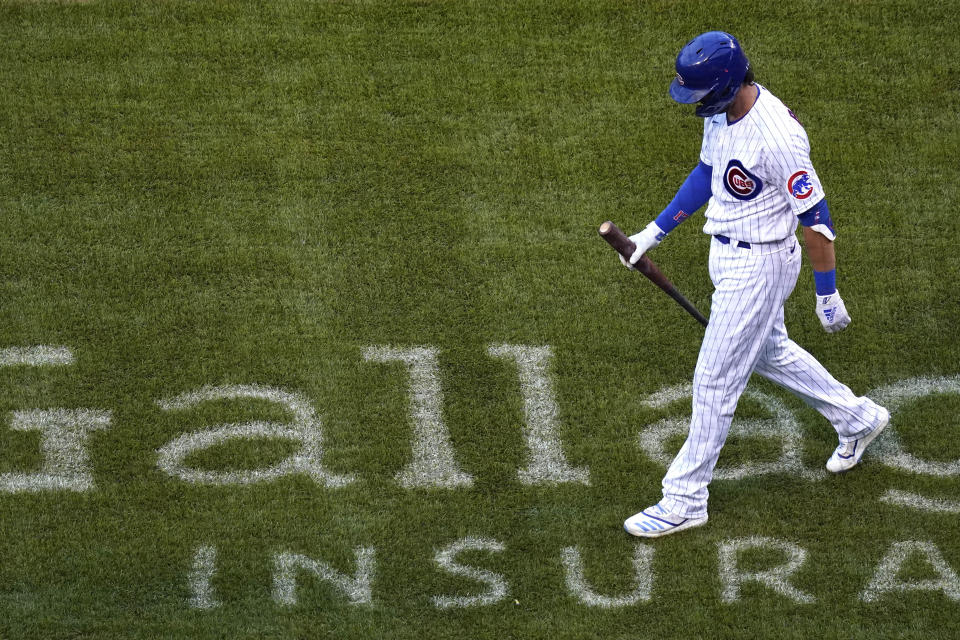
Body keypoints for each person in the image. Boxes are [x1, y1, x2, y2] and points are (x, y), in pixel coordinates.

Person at [620, 31, 889, 538]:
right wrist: (652, 233)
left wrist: (826, 292)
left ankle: (684, 499)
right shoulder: (723, 112)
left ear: (723, 83)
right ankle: (857, 419)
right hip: (726, 254)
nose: (695, 105)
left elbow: (816, 220)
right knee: (770, 352)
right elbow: (707, 172)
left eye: (699, 94)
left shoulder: (777, 138)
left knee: (714, 381)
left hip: (759, 269)